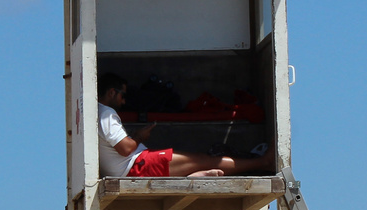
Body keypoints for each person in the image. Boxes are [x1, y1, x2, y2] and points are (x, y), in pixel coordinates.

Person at [97, 74, 275, 178]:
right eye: (122, 95)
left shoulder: (92, 112)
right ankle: (262, 162)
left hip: (134, 166)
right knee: (207, 160)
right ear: (112, 92)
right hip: (137, 167)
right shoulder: (105, 113)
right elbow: (125, 148)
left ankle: (196, 176)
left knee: (199, 161)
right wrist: (139, 136)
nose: (124, 101)